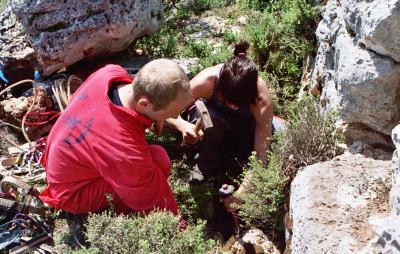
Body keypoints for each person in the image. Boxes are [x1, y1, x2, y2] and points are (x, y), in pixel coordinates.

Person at [40, 59, 192, 216]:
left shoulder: (109, 74)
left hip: (63, 163)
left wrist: (167, 118)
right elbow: (150, 198)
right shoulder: (124, 148)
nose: (175, 116)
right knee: (159, 159)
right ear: (144, 104)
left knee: (144, 163)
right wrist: (176, 225)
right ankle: (125, 215)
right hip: (73, 193)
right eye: (172, 113)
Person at [167, 40, 284, 191]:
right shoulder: (206, 81)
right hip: (212, 127)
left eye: (239, 102)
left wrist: (243, 193)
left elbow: (261, 154)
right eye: (227, 99)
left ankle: (237, 160)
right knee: (212, 119)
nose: (234, 106)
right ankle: (206, 163)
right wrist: (182, 125)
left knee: (280, 136)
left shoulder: (261, 99)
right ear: (220, 87)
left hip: (244, 130)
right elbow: (166, 110)